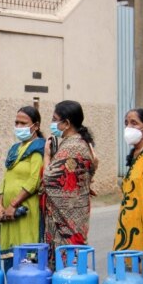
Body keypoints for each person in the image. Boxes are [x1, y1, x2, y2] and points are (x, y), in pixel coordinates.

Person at [43, 100, 97, 267]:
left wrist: (46, 156)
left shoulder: (72, 146)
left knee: (66, 264)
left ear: (66, 123)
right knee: (72, 260)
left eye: (55, 119)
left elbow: (49, 179)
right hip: (76, 209)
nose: (53, 123)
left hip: (66, 215)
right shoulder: (80, 142)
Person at [0, 107, 45, 265]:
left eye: (23, 123)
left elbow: (34, 180)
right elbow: (6, 179)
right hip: (8, 213)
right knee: (9, 257)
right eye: (16, 122)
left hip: (25, 210)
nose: (18, 126)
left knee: (26, 258)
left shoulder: (38, 148)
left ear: (36, 126)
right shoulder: (15, 149)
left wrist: (13, 204)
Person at [114, 108, 143, 260]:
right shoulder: (135, 154)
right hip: (128, 217)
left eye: (134, 123)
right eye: (126, 123)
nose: (128, 128)